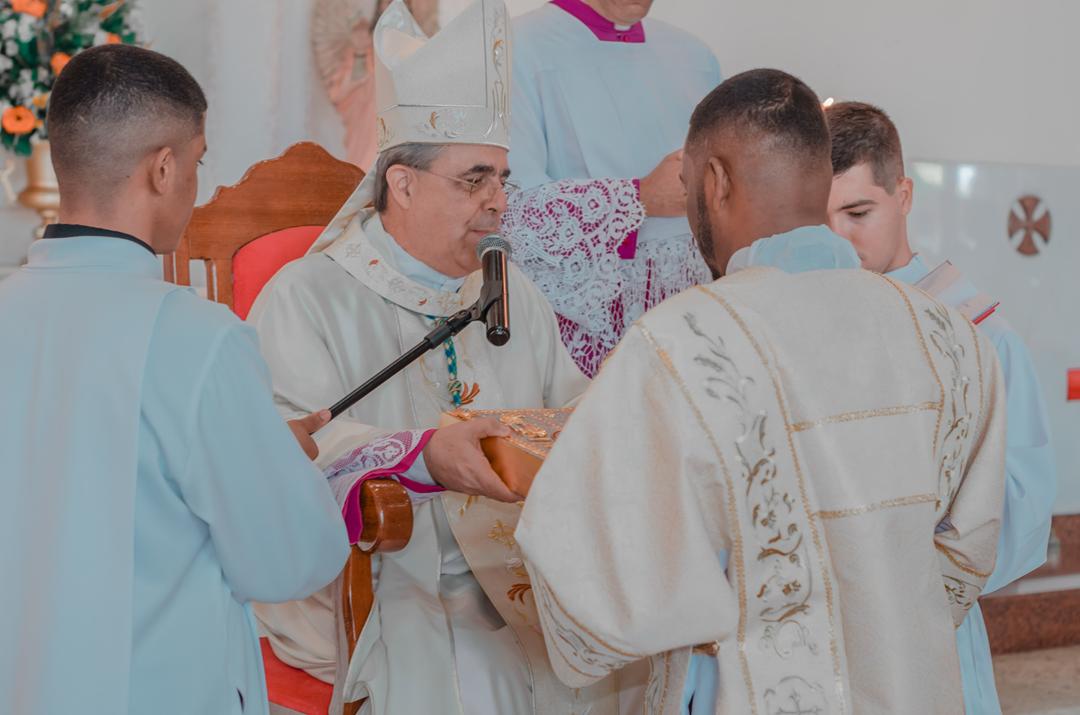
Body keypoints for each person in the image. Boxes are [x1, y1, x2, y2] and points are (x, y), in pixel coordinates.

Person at [516, 69, 1008, 714]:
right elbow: (969, 547)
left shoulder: (679, 343)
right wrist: (879, 620)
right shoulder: (947, 335)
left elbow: (601, 584)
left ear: (715, 182)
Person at [248, 3, 622, 713]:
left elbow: (570, 410)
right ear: (402, 183)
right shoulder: (310, 295)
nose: (498, 202)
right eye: (474, 179)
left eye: (503, 179)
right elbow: (278, 448)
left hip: (518, 570)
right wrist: (422, 456)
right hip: (392, 575)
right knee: (484, 678)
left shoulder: (511, 292)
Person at [0, 45, 348, 715]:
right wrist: (278, 461)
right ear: (164, 169)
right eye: (197, 162)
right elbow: (288, 561)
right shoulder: (199, 338)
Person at [825, 100, 1057, 715]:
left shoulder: (978, 335)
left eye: (858, 212)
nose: (839, 238)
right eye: (821, 218)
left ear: (903, 195)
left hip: (925, 630)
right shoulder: (806, 322)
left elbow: (1021, 508)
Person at [503, 0, 721, 377]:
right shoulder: (514, 47)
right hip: (579, 338)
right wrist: (639, 198)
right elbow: (510, 213)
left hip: (687, 327)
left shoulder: (695, 55)